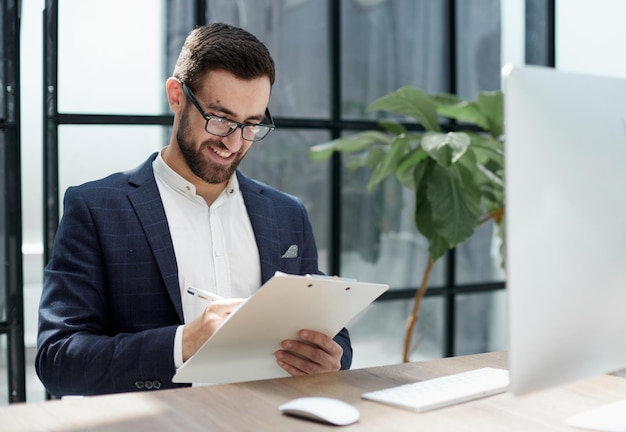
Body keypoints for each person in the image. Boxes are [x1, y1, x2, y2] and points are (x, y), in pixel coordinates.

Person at [36, 22, 352, 397]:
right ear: (177, 96)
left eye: (251, 124)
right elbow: (58, 360)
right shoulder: (96, 208)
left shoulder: (287, 214)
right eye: (220, 118)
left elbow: (331, 333)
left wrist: (334, 357)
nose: (233, 142)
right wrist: (183, 342)